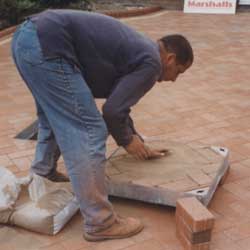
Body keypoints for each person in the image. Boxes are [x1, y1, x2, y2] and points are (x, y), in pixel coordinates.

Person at [11, 9, 193, 241]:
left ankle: (44, 175)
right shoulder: (152, 63)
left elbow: (120, 105)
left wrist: (138, 141)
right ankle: (100, 222)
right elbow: (112, 111)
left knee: (52, 115)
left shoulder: (141, 51)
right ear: (170, 59)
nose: (174, 79)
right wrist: (127, 141)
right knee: (90, 129)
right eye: (178, 71)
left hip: (27, 38)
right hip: (48, 44)